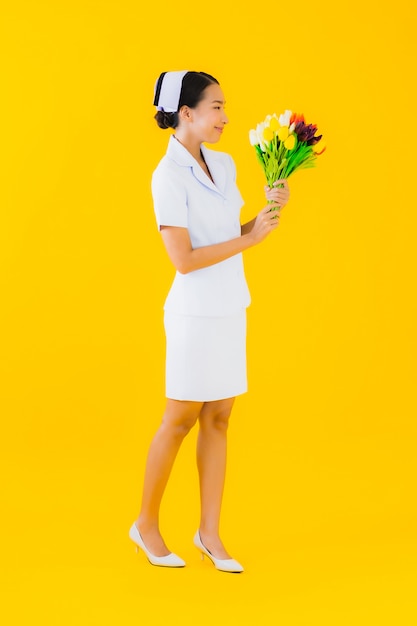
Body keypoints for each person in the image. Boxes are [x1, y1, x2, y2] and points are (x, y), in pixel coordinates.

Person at [129, 70, 290, 573]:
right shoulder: (166, 176)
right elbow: (184, 258)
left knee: (219, 418)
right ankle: (146, 525)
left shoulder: (224, 164)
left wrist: (262, 217)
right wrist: (250, 240)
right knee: (178, 420)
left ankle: (209, 533)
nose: (224, 116)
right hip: (194, 313)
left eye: (223, 106)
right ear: (187, 113)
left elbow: (227, 235)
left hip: (228, 306)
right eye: (216, 106)